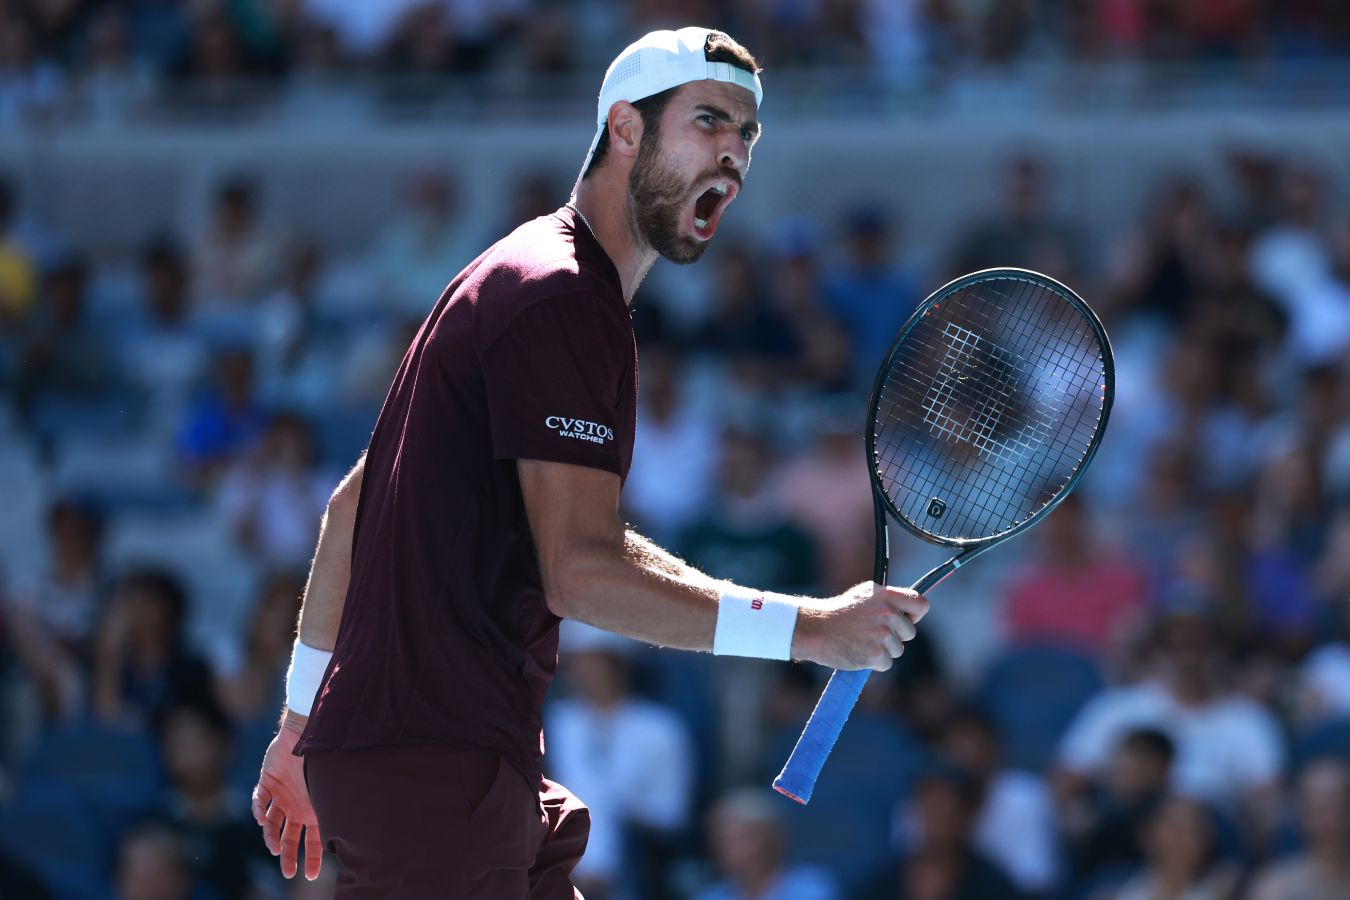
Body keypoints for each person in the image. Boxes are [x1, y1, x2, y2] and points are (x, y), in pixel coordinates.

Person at [251, 26, 930, 898]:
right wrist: (810, 629)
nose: (733, 154)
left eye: (747, 134)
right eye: (708, 120)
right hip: (436, 769)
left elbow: (354, 506)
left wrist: (299, 723)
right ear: (625, 128)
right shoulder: (561, 299)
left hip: (456, 761)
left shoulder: (523, 273)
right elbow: (579, 573)